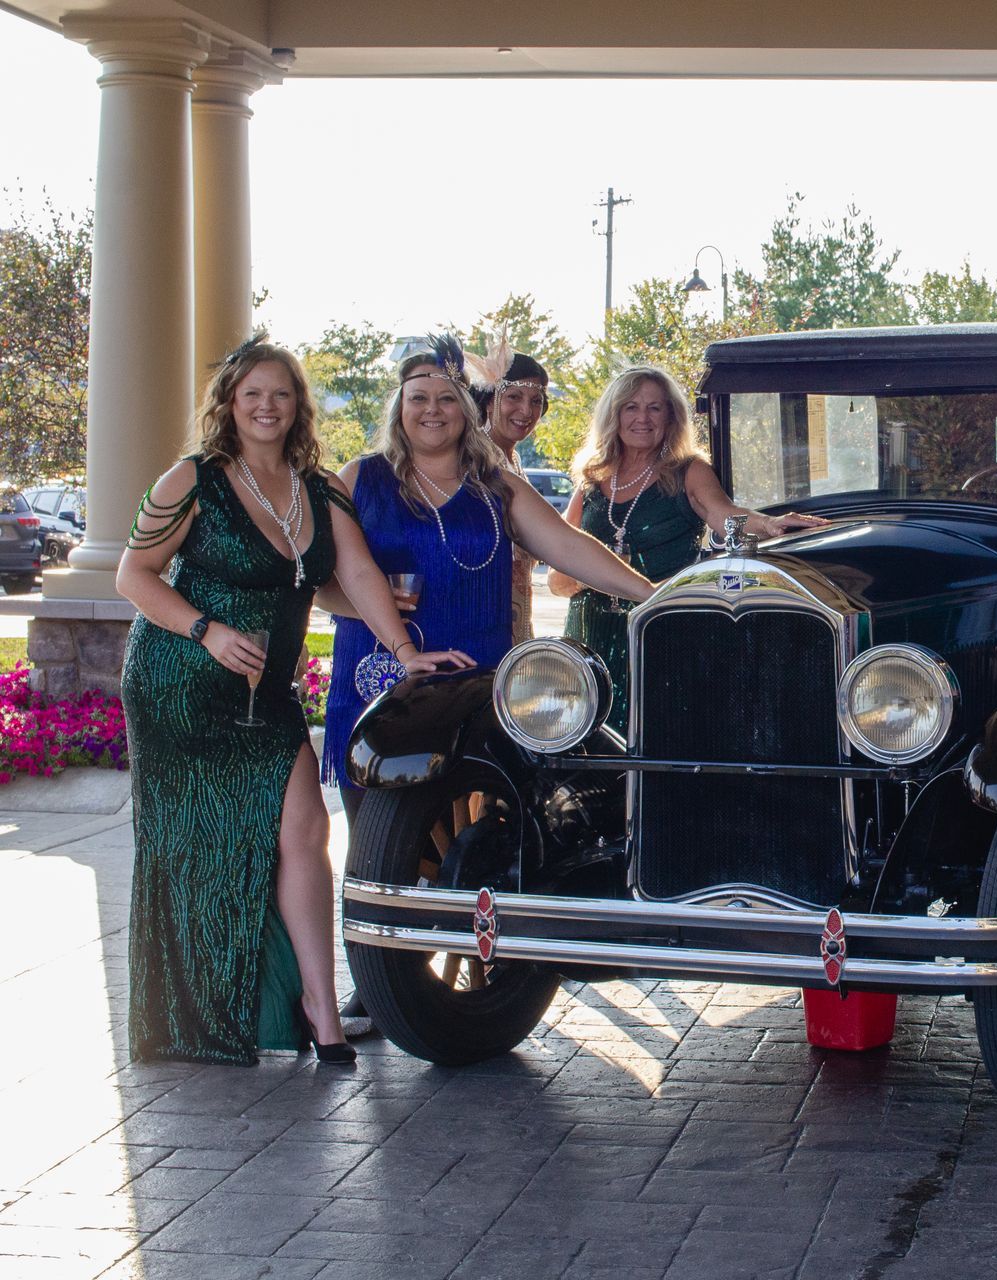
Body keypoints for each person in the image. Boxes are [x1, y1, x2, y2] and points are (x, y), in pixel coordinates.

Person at [117, 339, 471, 1065]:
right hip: (180, 684)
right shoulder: (192, 480)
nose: (267, 406)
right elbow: (133, 573)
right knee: (201, 848)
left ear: (297, 406)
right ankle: (199, 1011)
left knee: (305, 831)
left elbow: (360, 575)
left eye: (280, 394)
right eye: (253, 394)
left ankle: (320, 1005)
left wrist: (406, 652)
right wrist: (205, 630)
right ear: (229, 404)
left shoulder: (319, 489)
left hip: (265, 695)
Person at [319, 339, 661, 820]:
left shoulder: (497, 485)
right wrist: (378, 606)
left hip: (473, 680)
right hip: (379, 677)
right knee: (382, 846)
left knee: (473, 843)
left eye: (445, 399)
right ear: (400, 408)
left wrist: (654, 594)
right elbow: (324, 586)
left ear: (465, 408)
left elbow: (567, 546)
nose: (432, 411)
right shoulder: (355, 479)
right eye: (418, 398)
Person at [548, 364, 829, 732]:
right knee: (586, 748)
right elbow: (556, 579)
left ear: (671, 417)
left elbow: (724, 514)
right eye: (631, 407)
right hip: (590, 642)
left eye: (654, 407)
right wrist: (598, 571)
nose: (642, 418)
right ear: (614, 415)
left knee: (662, 734)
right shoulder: (590, 480)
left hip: (662, 635)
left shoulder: (688, 471)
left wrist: (770, 524)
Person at [470, 340, 553, 645]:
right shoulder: (475, 461)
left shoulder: (513, 461)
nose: (526, 410)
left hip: (515, 615)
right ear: (489, 401)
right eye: (514, 397)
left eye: (536, 400)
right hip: (480, 617)